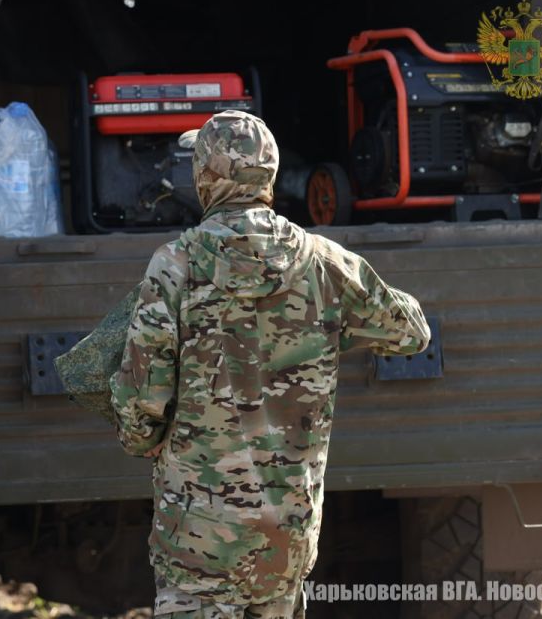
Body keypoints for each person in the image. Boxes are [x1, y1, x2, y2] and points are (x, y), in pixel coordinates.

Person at [109, 111, 430, 619]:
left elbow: (141, 402)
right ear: (269, 176)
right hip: (285, 540)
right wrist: (333, 317)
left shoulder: (175, 265)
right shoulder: (324, 262)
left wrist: (143, 443)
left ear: (206, 178)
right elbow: (411, 332)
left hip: (197, 540)